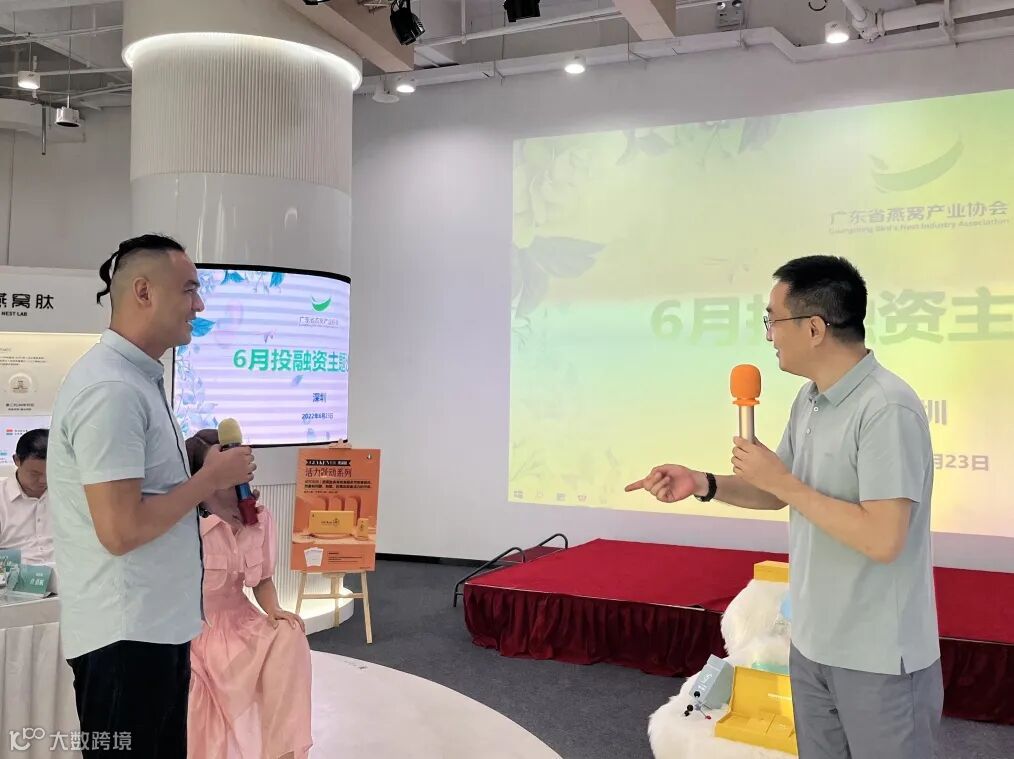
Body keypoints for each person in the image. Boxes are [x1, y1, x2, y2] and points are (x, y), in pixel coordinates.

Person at [627, 255, 942, 759]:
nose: (769, 334)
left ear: (814, 328)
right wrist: (703, 482)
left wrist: (784, 482)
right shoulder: (810, 400)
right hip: (813, 643)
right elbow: (777, 492)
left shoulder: (887, 407)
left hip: (879, 656)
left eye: (772, 319)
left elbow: (883, 539)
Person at [47, 234, 256, 758]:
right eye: (189, 290)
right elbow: (121, 531)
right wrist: (208, 480)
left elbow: (148, 494)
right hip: (125, 638)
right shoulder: (112, 390)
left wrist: (200, 473)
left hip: (153, 628)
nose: (199, 305)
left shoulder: (135, 379)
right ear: (143, 291)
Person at [185, 429, 312, 759]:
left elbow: (262, 579)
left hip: (239, 622)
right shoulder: (183, 526)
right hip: (192, 630)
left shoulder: (258, 518)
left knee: (289, 636)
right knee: (193, 693)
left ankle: (280, 752)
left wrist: (274, 609)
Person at [0, 429, 54, 568]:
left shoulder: (68, 493)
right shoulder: (2, 498)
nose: (44, 480)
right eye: (35, 474)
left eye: (50, 472)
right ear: (17, 460)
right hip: (16, 576)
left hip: (66, 574)